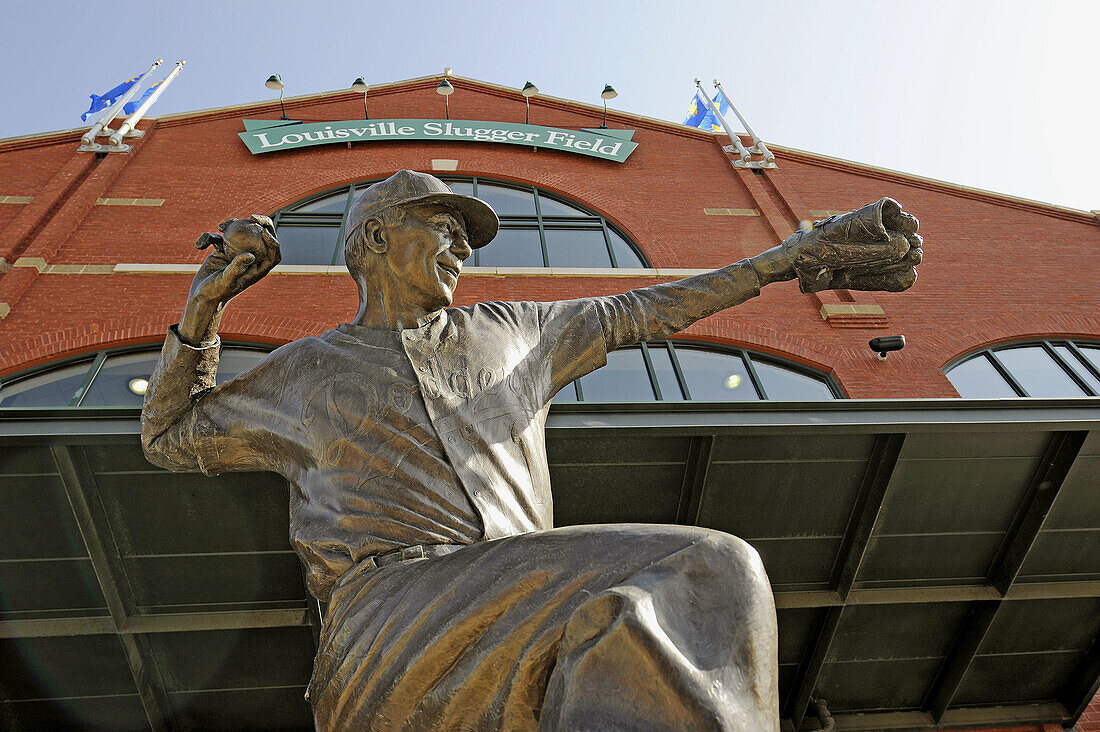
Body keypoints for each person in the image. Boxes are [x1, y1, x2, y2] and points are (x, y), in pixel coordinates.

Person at [142, 170, 921, 730]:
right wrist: (204, 307)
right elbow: (169, 437)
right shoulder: (304, 370)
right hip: (385, 625)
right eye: (441, 230)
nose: (460, 250)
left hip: (520, 601)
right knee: (707, 567)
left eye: (464, 239)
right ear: (376, 237)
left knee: (622, 638)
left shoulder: (514, 332)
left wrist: (788, 260)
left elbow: (641, 309)